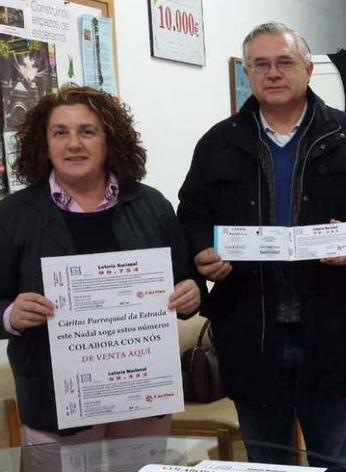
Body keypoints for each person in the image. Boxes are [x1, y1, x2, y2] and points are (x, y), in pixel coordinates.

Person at [176, 22, 346, 472]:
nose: (272, 73)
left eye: (284, 62)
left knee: (332, 464)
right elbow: (191, 215)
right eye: (261, 64)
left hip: (333, 329)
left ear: (309, 70)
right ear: (249, 74)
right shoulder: (218, 142)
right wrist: (202, 251)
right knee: (265, 469)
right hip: (250, 333)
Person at [0, 85, 200, 446]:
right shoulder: (13, 214)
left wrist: (190, 295)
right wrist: (11, 315)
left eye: (87, 131)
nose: (73, 143)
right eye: (60, 132)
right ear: (44, 143)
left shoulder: (151, 205)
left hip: (141, 395)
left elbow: (185, 280)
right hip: (56, 401)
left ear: (110, 140)